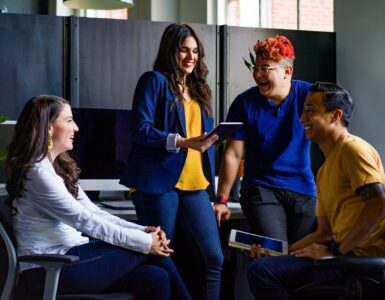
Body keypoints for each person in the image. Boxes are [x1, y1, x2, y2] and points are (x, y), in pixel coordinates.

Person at [5, 95, 191, 300]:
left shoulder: (56, 168)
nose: (76, 127)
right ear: (49, 127)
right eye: (68, 121)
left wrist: (142, 231)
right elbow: (83, 220)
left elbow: (93, 212)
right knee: (150, 251)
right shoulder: (37, 172)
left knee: (156, 278)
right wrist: (146, 242)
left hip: (72, 257)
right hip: (47, 269)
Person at [247, 82, 385, 299]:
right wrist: (279, 253)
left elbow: (378, 204)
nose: (302, 118)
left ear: (335, 116)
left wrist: (335, 252)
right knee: (266, 266)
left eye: (311, 111)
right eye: (303, 111)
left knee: (263, 273)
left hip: (361, 263)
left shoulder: (352, 149)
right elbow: (324, 232)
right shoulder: (323, 170)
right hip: (343, 257)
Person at [120, 23, 223, 300]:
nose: (191, 57)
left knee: (213, 258)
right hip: (158, 183)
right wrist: (181, 141)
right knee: (162, 255)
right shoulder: (154, 81)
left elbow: (199, 140)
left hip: (196, 184)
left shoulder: (200, 90)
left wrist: (210, 140)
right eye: (183, 50)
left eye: (195, 51)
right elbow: (139, 128)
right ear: (170, 51)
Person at [215, 35, 317, 244]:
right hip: (261, 188)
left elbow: (338, 117)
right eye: (256, 68)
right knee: (276, 251)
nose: (257, 74)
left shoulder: (309, 95)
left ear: (287, 72)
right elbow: (233, 155)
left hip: (303, 189)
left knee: (301, 259)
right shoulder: (244, 103)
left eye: (265, 69)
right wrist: (222, 200)